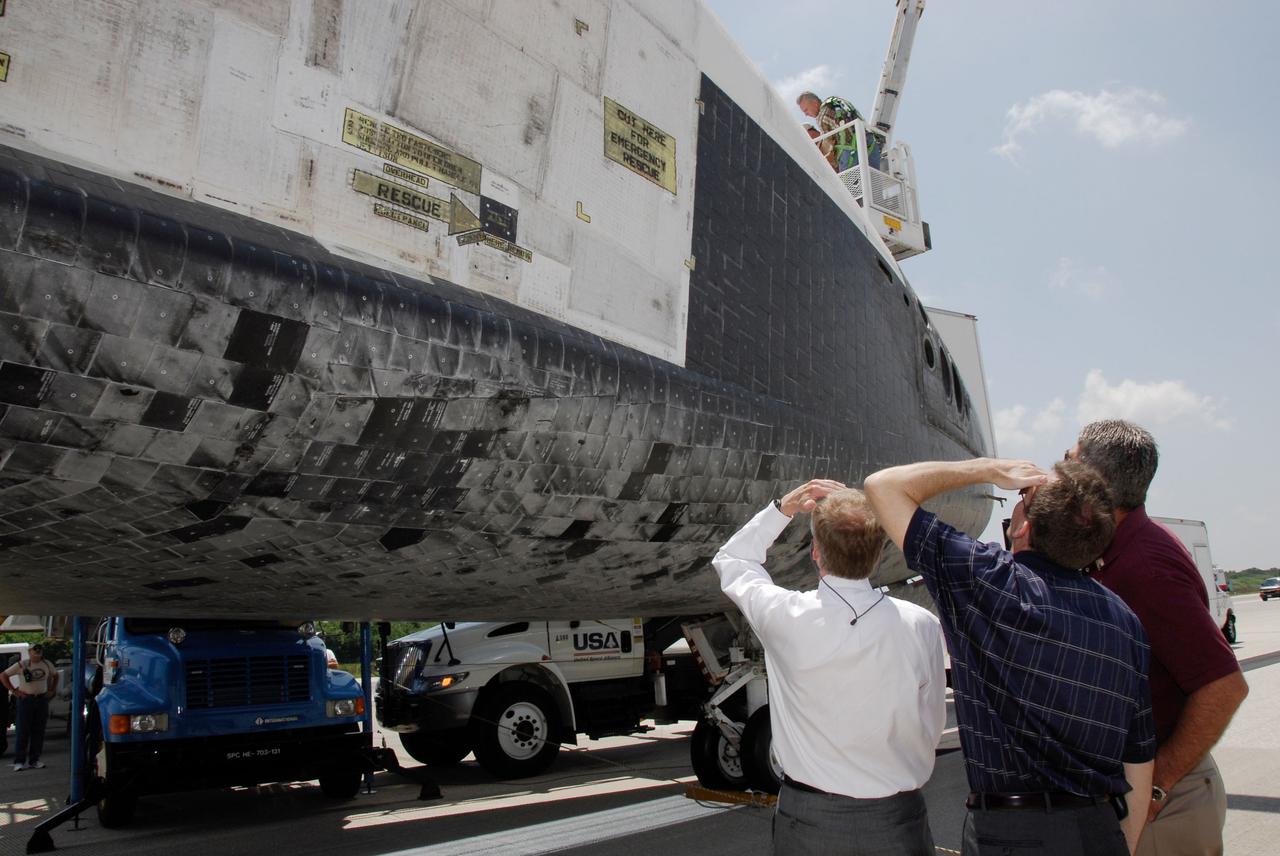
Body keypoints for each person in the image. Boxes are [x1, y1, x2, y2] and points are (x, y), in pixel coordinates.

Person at [864, 458, 1155, 856]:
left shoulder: (990, 580)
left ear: (1022, 527)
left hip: (1010, 833)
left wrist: (987, 469)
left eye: (1022, 496)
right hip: (1098, 829)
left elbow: (883, 486)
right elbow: (1138, 758)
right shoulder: (1125, 621)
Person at [713, 479, 945, 855]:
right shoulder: (921, 625)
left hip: (810, 821)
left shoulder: (787, 616)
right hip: (897, 820)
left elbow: (733, 560)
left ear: (816, 552)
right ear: (878, 550)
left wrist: (783, 508)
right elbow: (930, 724)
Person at [1070, 420, 1248, 855]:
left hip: (1163, 803)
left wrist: (1155, 787)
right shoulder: (1112, 554)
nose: (1059, 469)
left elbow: (1224, 686)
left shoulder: (1144, 568)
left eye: (1070, 459)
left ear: (1093, 479)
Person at [1, 644, 59, 771]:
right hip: (26, 699)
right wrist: (14, 690)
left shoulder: (47, 664)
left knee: (38, 731)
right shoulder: (22, 664)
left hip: (42, 699)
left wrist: (52, 690)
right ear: (29, 652)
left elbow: (56, 676)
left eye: (39, 651)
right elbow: (3, 676)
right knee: (23, 731)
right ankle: (19, 761)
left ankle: (34, 760)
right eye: (34, 651)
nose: (37, 653)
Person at [796, 90, 882, 172]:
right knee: (874, 182)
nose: (806, 114)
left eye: (806, 110)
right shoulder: (835, 103)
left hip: (850, 152)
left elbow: (829, 147)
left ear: (814, 103)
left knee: (849, 185)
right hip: (870, 143)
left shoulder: (822, 117)